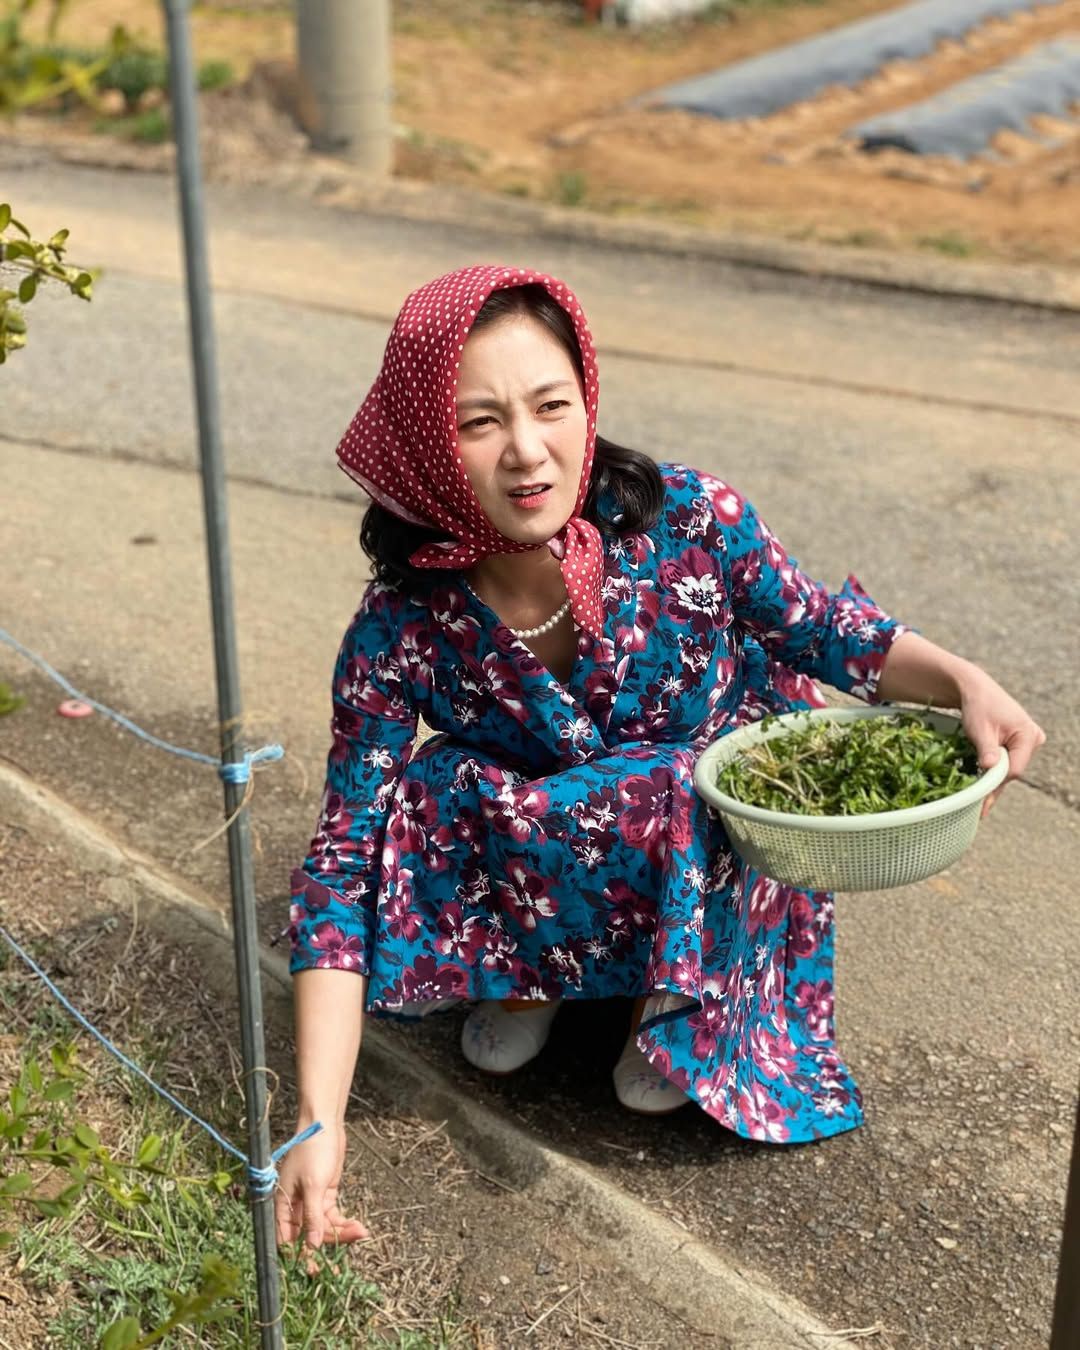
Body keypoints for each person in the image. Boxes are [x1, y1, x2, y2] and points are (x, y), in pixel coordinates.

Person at [273, 264, 1045, 1256]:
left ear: (586, 400)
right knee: (430, 789)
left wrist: (964, 682)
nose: (527, 452)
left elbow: (822, 628)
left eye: (552, 406)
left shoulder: (688, 518)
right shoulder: (401, 626)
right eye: (478, 424)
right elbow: (342, 857)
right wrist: (318, 1121)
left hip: (700, 834)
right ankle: (532, 975)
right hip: (555, 843)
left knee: (690, 780)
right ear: (426, 443)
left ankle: (674, 996)